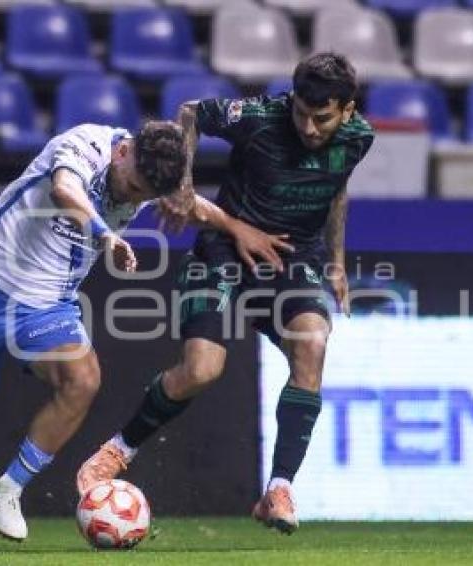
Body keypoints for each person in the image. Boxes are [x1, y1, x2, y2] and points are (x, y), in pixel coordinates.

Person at [0, 119, 292, 550]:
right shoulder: (85, 144)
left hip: (48, 302)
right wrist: (104, 236)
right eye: (134, 186)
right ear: (123, 151)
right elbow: (65, 189)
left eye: (145, 196)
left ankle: (8, 490)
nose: (134, 197)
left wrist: (236, 227)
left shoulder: (150, 176)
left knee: (83, 380)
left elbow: (190, 205)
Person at [76, 52, 375, 534]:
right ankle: (118, 451)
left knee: (313, 344)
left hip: (292, 257)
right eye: (300, 112)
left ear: (347, 110)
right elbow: (192, 112)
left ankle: (278, 488)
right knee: (201, 369)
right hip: (224, 250)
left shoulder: (360, 137)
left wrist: (336, 263)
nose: (309, 127)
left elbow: (337, 189)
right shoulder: (261, 118)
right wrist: (183, 186)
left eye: (321, 118)